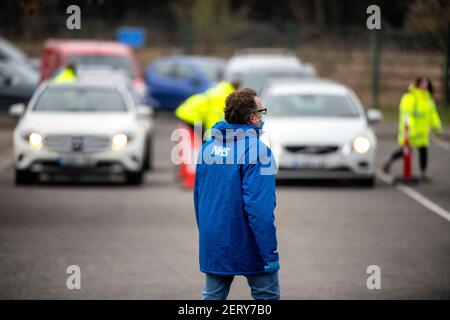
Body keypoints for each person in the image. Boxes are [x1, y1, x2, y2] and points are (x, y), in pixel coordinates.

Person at [194, 88, 280, 300]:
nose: (263, 118)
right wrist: (270, 253)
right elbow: (260, 210)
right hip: (249, 242)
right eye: (262, 112)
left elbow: (200, 198)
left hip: (214, 239)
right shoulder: (258, 151)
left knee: (212, 297)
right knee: (266, 298)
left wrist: (207, 234)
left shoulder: (207, 147)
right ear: (252, 118)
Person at [174, 80, 240, 188]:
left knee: (189, 146)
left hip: (185, 113)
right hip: (191, 116)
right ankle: (195, 175)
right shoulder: (223, 96)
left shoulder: (221, 89)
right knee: (197, 147)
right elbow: (212, 118)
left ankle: (185, 173)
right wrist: (212, 138)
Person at [382, 77, 442, 182]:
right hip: (409, 132)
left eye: (427, 84)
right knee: (404, 152)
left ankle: (423, 174)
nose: (425, 86)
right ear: (418, 84)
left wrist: (437, 127)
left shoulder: (428, 99)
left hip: (422, 133)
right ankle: (389, 162)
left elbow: (433, 115)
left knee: (423, 151)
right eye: (423, 83)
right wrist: (408, 129)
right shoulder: (409, 97)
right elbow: (406, 114)